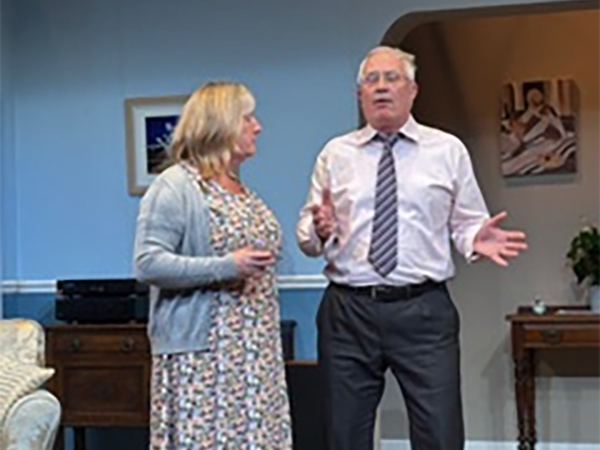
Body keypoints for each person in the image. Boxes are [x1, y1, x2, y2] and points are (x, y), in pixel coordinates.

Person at [296, 46, 528, 450]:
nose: (381, 87)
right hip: (348, 313)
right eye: (371, 80)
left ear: (413, 90)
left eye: (392, 78)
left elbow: (467, 220)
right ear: (360, 94)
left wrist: (474, 237)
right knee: (343, 435)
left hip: (423, 311)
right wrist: (318, 229)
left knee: (439, 434)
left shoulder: (447, 150)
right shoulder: (335, 154)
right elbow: (308, 232)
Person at [134, 81, 292, 450]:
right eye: (247, 118)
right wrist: (226, 266)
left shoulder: (241, 190)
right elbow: (148, 262)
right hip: (204, 357)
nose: (257, 127)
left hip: (254, 353)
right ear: (221, 124)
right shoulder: (176, 186)